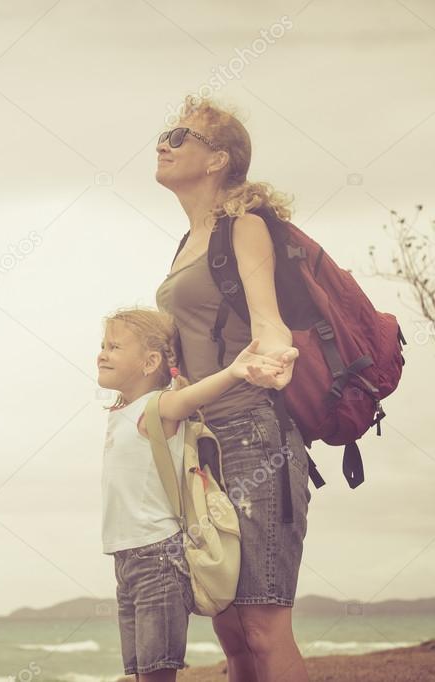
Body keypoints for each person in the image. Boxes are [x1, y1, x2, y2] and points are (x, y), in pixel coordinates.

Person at [153, 94, 309, 682]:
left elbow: (267, 319)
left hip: (254, 432)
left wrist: (276, 357)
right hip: (205, 441)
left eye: (178, 135)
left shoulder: (242, 228)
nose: (163, 145)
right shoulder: (187, 242)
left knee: (263, 627)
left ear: (218, 159)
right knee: (229, 627)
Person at [97, 307, 284, 681]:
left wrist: (233, 372)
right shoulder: (119, 414)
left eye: (114, 346)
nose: (102, 352)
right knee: (139, 671)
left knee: (157, 672)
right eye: (102, 345)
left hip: (158, 558)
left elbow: (190, 397)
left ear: (150, 361)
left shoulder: (160, 406)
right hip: (126, 560)